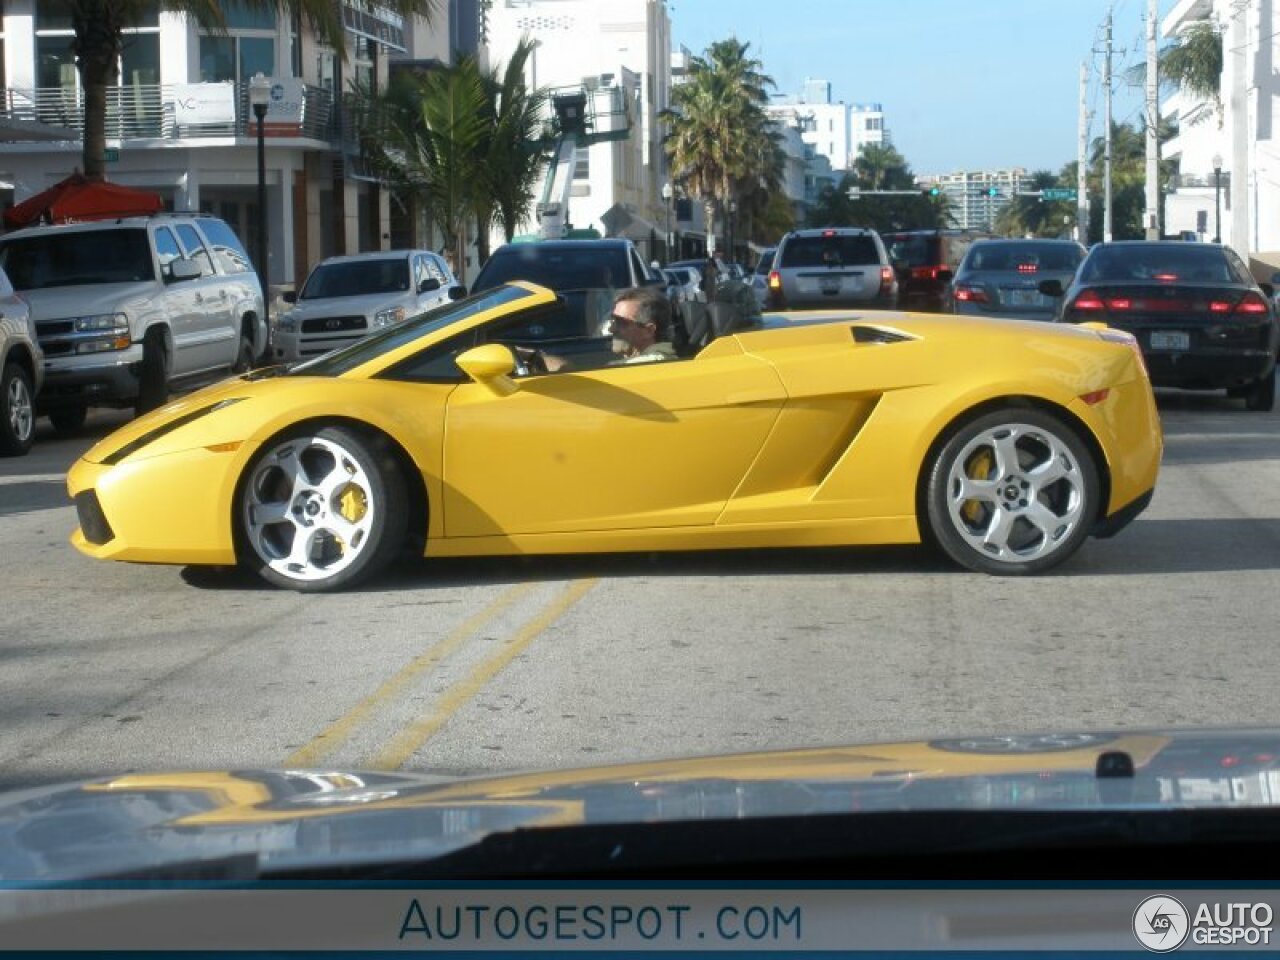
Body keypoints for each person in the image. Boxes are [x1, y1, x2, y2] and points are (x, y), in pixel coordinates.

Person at [535, 286, 675, 372]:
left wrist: (533, 358)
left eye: (621, 323)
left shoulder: (652, 363)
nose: (612, 329)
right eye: (613, 320)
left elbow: (582, 377)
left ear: (648, 330)